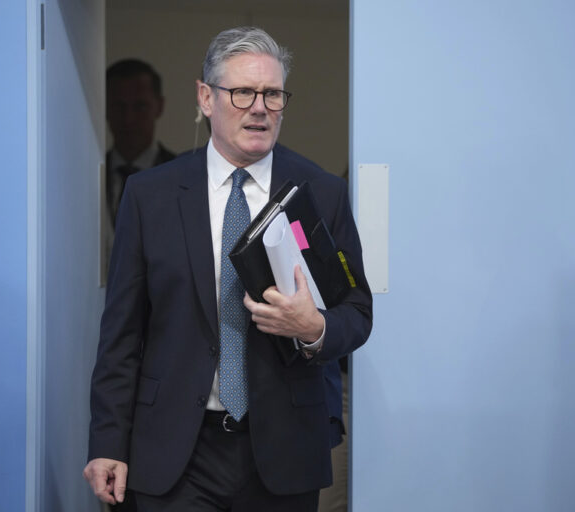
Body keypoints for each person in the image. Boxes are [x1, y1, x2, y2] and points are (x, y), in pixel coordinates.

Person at [84, 26, 372, 511]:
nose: (259, 107)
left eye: (273, 94)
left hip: (282, 453)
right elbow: (122, 334)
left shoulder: (321, 193)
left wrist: (314, 329)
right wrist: (108, 441)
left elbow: (357, 313)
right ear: (205, 97)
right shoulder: (150, 195)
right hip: (176, 449)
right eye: (242, 92)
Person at [106, 59, 176, 229]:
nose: (128, 119)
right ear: (105, 107)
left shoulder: (182, 176)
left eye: (140, 107)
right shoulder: (87, 177)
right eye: (119, 107)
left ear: (159, 106)